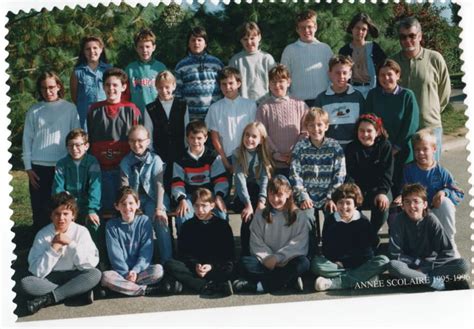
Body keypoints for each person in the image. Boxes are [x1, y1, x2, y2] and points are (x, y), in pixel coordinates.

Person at [21, 192, 101, 314]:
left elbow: (90, 264)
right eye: (57, 214)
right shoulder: (43, 234)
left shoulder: (81, 231)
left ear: (73, 215)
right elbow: (36, 271)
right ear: (51, 216)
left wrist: (71, 243)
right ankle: (75, 292)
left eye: (65, 214)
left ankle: (48, 299)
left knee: (95, 274)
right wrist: (54, 249)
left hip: (75, 274)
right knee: (26, 283)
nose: (61, 218)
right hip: (51, 278)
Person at [23, 71, 80, 231]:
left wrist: (71, 162)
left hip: (62, 165)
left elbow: (75, 136)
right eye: (43, 88)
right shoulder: (34, 110)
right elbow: (27, 139)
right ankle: (39, 244)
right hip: (38, 166)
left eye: (51, 87)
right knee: (40, 208)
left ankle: (64, 241)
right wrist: (28, 167)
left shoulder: (70, 108)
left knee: (62, 207)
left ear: (59, 86)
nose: (48, 92)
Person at [233, 175, 310, 294]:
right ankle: (287, 281)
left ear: (288, 193)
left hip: (287, 260)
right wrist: (267, 258)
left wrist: (277, 257)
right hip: (265, 262)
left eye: (279, 195)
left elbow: (299, 243)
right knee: (243, 263)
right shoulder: (260, 214)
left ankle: (260, 286)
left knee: (303, 263)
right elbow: (256, 241)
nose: (275, 199)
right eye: (271, 194)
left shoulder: (299, 215)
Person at [395, 129, 464, 257]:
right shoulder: (408, 170)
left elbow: (459, 193)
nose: (420, 153)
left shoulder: (442, 172)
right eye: (417, 150)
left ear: (434, 149)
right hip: (418, 214)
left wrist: (444, 192)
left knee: (446, 203)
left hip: (435, 213)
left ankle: (449, 244)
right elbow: (404, 189)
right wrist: (401, 196)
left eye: (425, 149)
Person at [387, 184, 469, 291]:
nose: (412, 206)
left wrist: (426, 268)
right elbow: (395, 254)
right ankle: (432, 282)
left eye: (416, 201)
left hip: (431, 265)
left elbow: (447, 252)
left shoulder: (431, 220)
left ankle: (418, 280)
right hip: (409, 265)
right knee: (393, 266)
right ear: (402, 206)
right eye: (407, 202)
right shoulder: (398, 221)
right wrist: (417, 264)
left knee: (463, 265)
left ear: (425, 204)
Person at [101, 187, 180, 296]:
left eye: (131, 203)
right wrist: (125, 273)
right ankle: (145, 290)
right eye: (123, 204)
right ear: (116, 206)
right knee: (106, 277)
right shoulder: (111, 225)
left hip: (141, 271)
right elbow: (115, 254)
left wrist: (135, 271)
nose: (127, 207)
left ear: (137, 204)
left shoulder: (144, 221)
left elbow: (146, 252)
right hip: (121, 273)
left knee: (158, 270)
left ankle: (122, 289)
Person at [391, 16, 451, 160]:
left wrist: (431, 111)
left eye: (412, 35)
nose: (407, 40)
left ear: (420, 36)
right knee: (407, 177)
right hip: (403, 129)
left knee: (430, 173)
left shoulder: (435, 59)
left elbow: (445, 92)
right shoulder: (393, 62)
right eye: (403, 37)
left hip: (430, 127)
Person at [312, 184, 389, 291]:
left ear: (355, 205)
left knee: (383, 261)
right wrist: (336, 261)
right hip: (337, 264)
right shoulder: (331, 220)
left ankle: (334, 283)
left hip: (360, 263)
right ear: (336, 204)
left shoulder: (363, 221)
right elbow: (327, 248)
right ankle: (363, 279)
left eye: (348, 203)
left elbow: (367, 252)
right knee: (316, 264)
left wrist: (346, 263)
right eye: (340, 203)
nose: (344, 207)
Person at [289, 107, 346, 255]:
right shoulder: (300, 147)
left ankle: (330, 253)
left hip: (328, 196)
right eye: (311, 125)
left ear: (326, 126)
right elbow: (295, 175)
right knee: (307, 219)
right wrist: (303, 196)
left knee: (334, 218)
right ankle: (311, 254)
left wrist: (331, 197)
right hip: (308, 196)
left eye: (320, 125)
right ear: (306, 127)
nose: (316, 129)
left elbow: (340, 174)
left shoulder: (334, 146)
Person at [87, 67, 142, 217]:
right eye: (107, 85)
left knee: (127, 208)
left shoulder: (132, 109)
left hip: (125, 169)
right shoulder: (94, 109)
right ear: (103, 86)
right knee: (106, 209)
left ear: (123, 87)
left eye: (115, 85)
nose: (111, 88)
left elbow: (139, 140)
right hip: (101, 168)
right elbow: (90, 139)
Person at [164, 188, 235, 297]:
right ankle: (209, 285)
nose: (200, 210)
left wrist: (211, 266)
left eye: (204, 205)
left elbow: (228, 253)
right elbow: (183, 253)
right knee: (170, 265)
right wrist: (195, 265)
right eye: (196, 206)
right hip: (195, 267)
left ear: (212, 205)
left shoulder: (222, 226)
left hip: (214, 266)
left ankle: (197, 284)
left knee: (231, 267)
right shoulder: (188, 226)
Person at [365, 59, 419, 196]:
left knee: (403, 196)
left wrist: (396, 148)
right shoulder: (373, 95)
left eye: (389, 74)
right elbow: (367, 121)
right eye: (382, 75)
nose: (386, 78)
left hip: (402, 155)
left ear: (398, 75)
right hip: (379, 154)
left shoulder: (407, 96)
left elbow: (411, 125)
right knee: (383, 196)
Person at [119, 125, 172, 264]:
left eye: (140, 140)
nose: (136, 144)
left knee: (159, 220)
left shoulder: (155, 159)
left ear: (148, 141)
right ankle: (140, 264)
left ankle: (168, 262)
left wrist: (160, 208)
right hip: (135, 201)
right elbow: (125, 189)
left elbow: (159, 185)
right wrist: (131, 208)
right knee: (136, 222)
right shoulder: (125, 162)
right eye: (132, 141)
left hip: (155, 199)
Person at [345, 114, 393, 249]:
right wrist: (354, 189)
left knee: (383, 205)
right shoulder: (351, 148)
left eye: (369, 131)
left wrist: (382, 192)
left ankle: (371, 234)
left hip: (378, 188)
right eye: (361, 130)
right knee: (349, 204)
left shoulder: (385, 146)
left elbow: (387, 173)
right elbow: (349, 173)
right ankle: (359, 236)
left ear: (377, 131)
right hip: (357, 189)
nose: (365, 134)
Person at [171, 121, 229, 233]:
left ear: (205, 138)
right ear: (187, 138)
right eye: (192, 138)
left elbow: (220, 180)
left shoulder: (213, 157)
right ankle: (186, 247)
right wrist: (181, 199)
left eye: (199, 138)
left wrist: (219, 195)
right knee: (183, 215)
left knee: (221, 214)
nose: (195, 141)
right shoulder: (180, 159)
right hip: (189, 196)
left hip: (209, 196)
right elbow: (177, 183)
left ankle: (220, 247)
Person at [256, 64, 308, 177]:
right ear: (269, 84)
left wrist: (294, 151)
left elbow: (305, 131)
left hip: (297, 160)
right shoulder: (264, 107)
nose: (277, 85)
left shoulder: (300, 104)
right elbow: (262, 134)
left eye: (281, 81)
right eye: (273, 82)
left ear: (288, 82)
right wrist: (275, 153)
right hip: (273, 162)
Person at [52, 128, 102, 244]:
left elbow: (95, 187)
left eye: (78, 145)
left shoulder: (92, 162)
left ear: (86, 146)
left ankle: (96, 257)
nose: (74, 149)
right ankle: (66, 256)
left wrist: (91, 209)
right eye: (70, 145)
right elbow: (57, 188)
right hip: (68, 205)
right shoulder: (61, 164)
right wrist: (66, 206)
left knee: (94, 225)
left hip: (86, 204)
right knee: (65, 227)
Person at [144, 70, 189, 194]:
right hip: (160, 153)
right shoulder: (150, 108)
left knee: (179, 182)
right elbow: (149, 131)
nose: (164, 91)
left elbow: (186, 129)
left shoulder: (182, 105)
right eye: (160, 88)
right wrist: (151, 153)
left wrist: (186, 151)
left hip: (179, 151)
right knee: (162, 184)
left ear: (174, 85)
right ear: (156, 88)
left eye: (167, 87)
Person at [205, 66, 257, 174]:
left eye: (231, 83)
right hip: (226, 157)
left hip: (248, 157)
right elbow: (215, 138)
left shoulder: (250, 105)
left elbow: (255, 133)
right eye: (223, 84)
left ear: (238, 83)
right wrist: (226, 163)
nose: (227, 87)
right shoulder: (214, 108)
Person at [232, 122, 273, 256]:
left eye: (254, 136)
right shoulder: (237, 153)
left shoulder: (264, 154)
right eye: (247, 135)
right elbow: (240, 181)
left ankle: (264, 250)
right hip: (242, 196)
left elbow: (264, 179)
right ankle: (246, 253)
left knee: (265, 212)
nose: (249, 139)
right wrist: (248, 204)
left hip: (260, 194)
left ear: (261, 140)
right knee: (248, 216)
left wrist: (261, 201)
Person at [281, 9, 333, 105]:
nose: (306, 30)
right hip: (298, 102)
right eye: (302, 27)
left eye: (309, 27)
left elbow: (332, 75)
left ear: (315, 27)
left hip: (323, 101)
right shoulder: (289, 50)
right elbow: (284, 77)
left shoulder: (325, 49)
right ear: (297, 29)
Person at [313, 55, 366, 149]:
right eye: (337, 73)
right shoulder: (321, 99)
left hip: (354, 148)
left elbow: (364, 122)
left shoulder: (358, 97)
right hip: (329, 147)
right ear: (329, 74)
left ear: (350, 74)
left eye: (345, 73)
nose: (341, 76)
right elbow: (316, 125)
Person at [174, 26, 224, 122]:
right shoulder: (181, 65)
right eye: (193, 40)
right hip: (191, 117)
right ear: (188, 44)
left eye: (199, 40)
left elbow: (224, 86)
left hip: (215, 115)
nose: (196, 43)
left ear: (205, 43)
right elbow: (177, 92)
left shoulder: (216, 63)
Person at [339, 13, 386, 98]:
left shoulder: (374, 48)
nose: (360, 32)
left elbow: (384, 69)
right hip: (352, 90)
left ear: (367, 31)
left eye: (364, 29)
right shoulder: (344, 51)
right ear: (352, 28)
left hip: (372, 90)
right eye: (357, 28)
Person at [70, 36, 112, 129]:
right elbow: (74, 97)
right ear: (84, 52)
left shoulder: (109, 70)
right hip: (85, 116)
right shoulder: (77, 72)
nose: (92, 51)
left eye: (95, 48)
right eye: (88, 49)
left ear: (101, 50)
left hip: (106, 113)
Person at [228, 22, 276, 103]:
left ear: (259, 37)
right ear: (241, 41)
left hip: (264, 103)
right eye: (245, 39)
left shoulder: (267, 58)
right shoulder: (235, 60)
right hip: (242, 105)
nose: (249, 42)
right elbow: (230, 84)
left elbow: (275, 82)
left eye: (252, 38)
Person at [125, 28, 166, 114]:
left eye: (147, 46)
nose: (144, 50)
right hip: (136, 113)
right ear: (136, 48)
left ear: (154, 47)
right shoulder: (130, 69)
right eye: (141, 47)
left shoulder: (160, 67)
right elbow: (125, 94)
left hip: (157, 112)